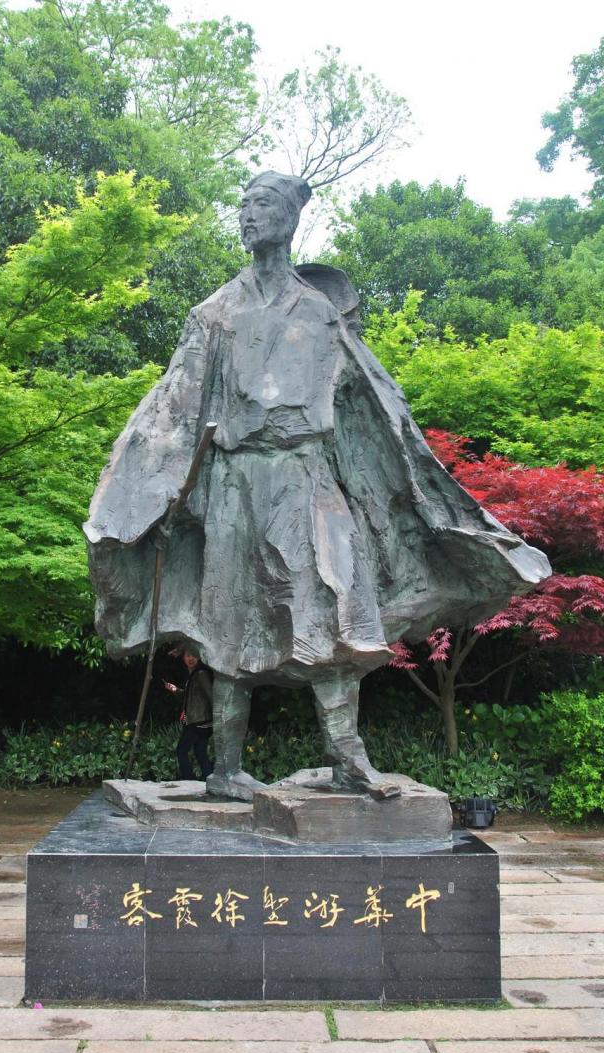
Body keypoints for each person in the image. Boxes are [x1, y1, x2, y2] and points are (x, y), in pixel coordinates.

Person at [84, 171, 550, 803]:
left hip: (307, 478)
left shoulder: (321, 312)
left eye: (262, 203)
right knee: (230, 623)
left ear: (290, 218)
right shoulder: (213, 314)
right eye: (244, 204)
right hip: (237, 484)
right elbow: (175, 409)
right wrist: (156, 495)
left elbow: (372, 408)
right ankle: (225, 769)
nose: (249, 214)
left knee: (335, 607)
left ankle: (347, 759)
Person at [164, 651, 214, 780]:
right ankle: (210, 780)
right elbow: (189, 695)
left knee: (181, 751)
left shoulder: (201, 674)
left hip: (198, 722)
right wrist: (176, 690)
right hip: (202, 721)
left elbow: (211, 696)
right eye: (187, 655)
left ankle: (188, 780)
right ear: (183, 658)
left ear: (199, 657)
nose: (190, 658)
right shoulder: (194, 675)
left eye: (194, 655)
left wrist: (218, 715)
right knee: (200, 753)